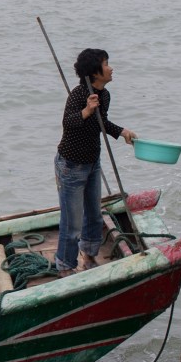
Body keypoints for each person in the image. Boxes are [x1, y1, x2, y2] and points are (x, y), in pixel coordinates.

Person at [54, 49, 137, 273]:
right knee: (72, 222)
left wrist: (122, 132)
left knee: (93, 214)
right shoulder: (79, 94)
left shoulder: (105, 95)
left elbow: (103, 123)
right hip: (71, 165)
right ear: (95, 72)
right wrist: (87, 110)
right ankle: (64, 265)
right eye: (107, 64)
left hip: (92, 162)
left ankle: (89, 255)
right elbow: (68, 123)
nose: (111, 68)